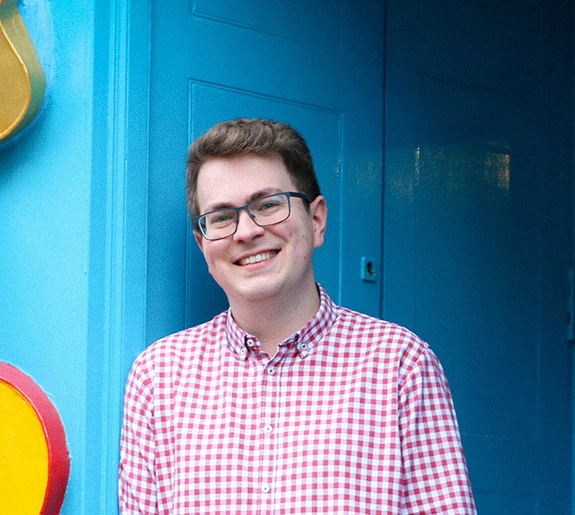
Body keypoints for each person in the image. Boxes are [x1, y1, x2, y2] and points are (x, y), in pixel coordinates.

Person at [119, 118, 476, 514]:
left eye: (268, 205)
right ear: (203, 246)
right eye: (221, 216)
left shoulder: (400, 365)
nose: (245, 231)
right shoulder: (158, 377)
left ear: (316, 220)